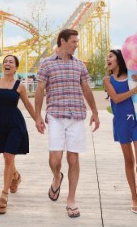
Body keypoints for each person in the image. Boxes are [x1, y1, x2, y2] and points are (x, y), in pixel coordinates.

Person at [34, 29, 100, 219]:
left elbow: (86, 89)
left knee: (73, 159)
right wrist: (38, 115)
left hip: (77, 116)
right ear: (62, 41)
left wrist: (95, 112)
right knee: (55, 159)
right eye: (73, 41)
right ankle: (57, 177)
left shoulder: (79, 65)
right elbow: (39, 90)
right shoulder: (46, 64)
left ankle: (71, 199)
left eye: (77, 41)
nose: (76, 44)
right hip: (55, 115)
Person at [103, 49, 137, 214]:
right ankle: (133, 196)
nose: (108, 59)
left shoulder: (134, 75)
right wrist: (135, 90)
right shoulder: (107, 80)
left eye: (110, 56)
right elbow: (116, 99)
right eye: (107, 57)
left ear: (119, 59)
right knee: (129, 161)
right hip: (121, 123)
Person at [0, 55, 36, 214]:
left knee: (8, 156)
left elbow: (28, 105)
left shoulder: (20, 86)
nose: (7, 63)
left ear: (16, 67)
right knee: (7, 157)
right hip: (1, 125)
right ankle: (16, 176)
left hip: (16, 125)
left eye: (11, 62)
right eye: (5, 61)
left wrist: (38, 120)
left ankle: (3, 196)